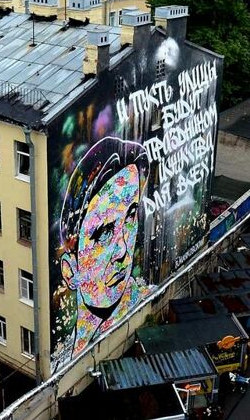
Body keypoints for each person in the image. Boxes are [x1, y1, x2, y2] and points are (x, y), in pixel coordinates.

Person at [54, 138, 153, 369]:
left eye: (130, 217)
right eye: (104, 233)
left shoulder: (148, 300)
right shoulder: (61, 364)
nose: (123, 249)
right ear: (70, 270)